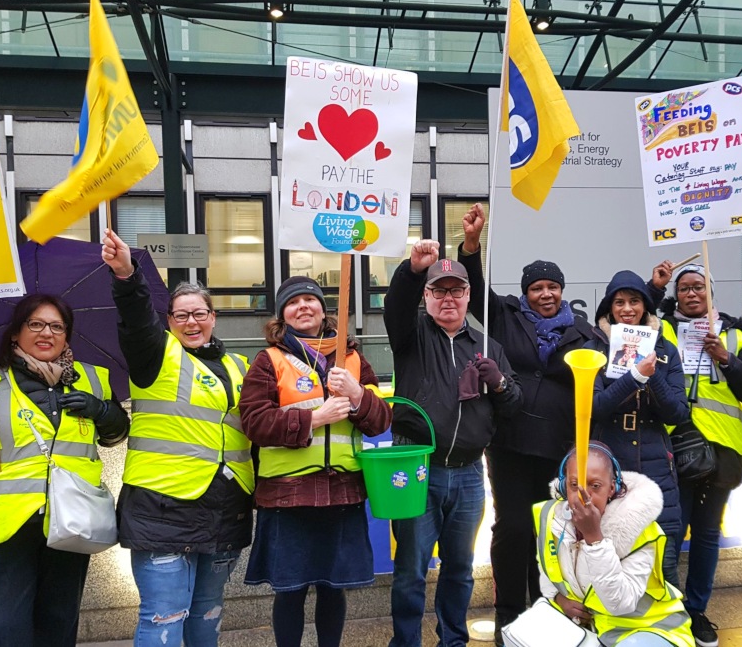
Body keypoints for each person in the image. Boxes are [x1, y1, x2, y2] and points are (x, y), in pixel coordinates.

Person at [0, 293, 130, 647]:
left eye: (56, 326)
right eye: (35, 324)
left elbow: (116, 434)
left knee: (58, 624)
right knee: (5, 630)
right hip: (6, 525)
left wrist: (101, 410)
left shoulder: (91, 379)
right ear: (16, 333)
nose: (46, 332)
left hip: (70, 523)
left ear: (67, 336)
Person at [102, 229, 254, 647]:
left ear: (213, 317)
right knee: (163, 618)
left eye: (199, 313)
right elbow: (135, 320)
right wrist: (127, 275)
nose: (191, 322)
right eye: (181, 315)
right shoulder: (155, 355)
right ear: (169, 321)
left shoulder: (239, 366)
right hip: (162, 510)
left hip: (224, 507)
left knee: (207, 616)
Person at [456, 202, 596, 642]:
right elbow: (475, 288)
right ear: (526, 292)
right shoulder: (506, 316)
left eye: (553, 286)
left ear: (562, 290)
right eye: (537, 287)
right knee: (513, 528)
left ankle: (547, 611)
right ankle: (508, 615)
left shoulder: (586, 332)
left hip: (559, 450)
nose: (546, 294)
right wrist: (472, 245)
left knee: (551, 532)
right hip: (511, 444)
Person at [238, 276, 392, 647]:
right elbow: (253, 422)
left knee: (332, 588)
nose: (303, 306)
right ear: (282, 314)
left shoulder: (353, 358)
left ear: (324, 310)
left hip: (343, 494)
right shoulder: (268, 360)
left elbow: (381, 421)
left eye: (311, 299)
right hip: (287, 497)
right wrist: (315, 418)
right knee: (288, 591)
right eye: (293, 302)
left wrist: (357, 394)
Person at [384, 239, 522, 647]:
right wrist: (412, 269)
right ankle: (406, 642)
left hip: (468, 476)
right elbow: (396, 304)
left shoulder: (486, 345)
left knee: (460, 568)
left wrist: (498, 382)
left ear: (467, 296)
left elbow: (513, 404)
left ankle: (453, 641)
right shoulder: (409, 336)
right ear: (426, 296)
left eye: (456, 290)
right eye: (438, 290)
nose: (448, 299)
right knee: (410, 568)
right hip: (418, 470)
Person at [657, 264, 742, 647]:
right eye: (684, 288)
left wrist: (725, 357)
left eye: (699, 288)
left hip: (722, 452)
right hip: (675, 448)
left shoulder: (735, 334)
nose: (691, 294)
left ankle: (697, 610)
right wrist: (655, 286)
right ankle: (668, 608)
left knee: (705, 534)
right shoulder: (662, 328)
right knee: (671, 532)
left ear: (711, 293)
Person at [583, 270, 690, 588]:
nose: (627, 308)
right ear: (609, 307)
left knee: (664, 566)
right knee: (608, 564)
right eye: (619, 302)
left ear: (645, 306)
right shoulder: (595, 348)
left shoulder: (666, 349)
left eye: (634, 301)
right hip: (608, 460)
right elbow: (596, 407)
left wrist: (651, 370)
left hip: (655, 461)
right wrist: (634, 376)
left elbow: (678, 412)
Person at [532, 442, 694, 647]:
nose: (584, 495)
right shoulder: (551, 517)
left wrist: (594, 539)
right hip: (593, 630)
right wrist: (558, 599)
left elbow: (620, 603)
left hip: (646, 629)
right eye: (574, 485)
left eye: (595, 486)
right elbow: (547, 567)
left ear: (612, 487)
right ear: (564, 486)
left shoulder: (639, 529)